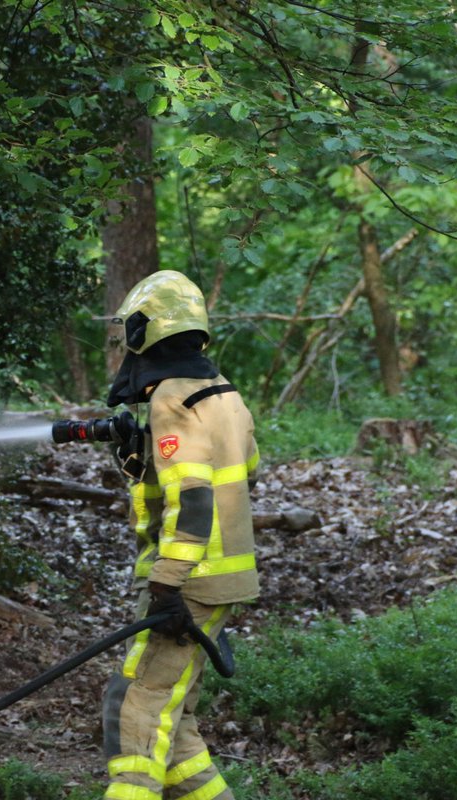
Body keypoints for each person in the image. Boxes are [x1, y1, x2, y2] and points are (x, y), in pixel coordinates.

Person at [100, 270, 260, 800]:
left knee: (134, 707)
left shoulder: (170, 397)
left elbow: (192, 498)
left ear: (144, 330)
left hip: (190, 581)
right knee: (176, 717)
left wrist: (167, 582)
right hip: (225, 579)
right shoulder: (224, 394)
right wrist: (140, 459)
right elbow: (241, 468)